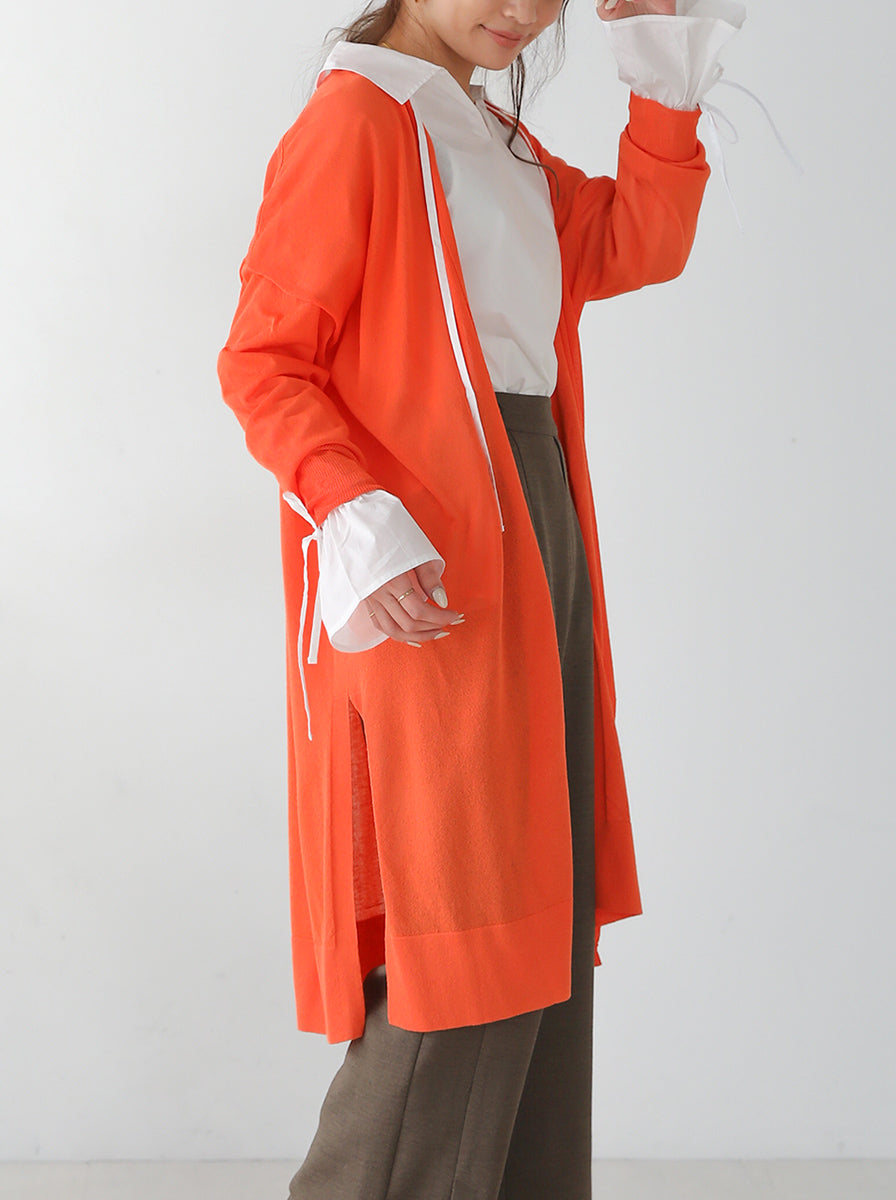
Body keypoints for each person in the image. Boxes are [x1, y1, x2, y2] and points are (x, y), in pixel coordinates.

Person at [217, 1, 744, 1194]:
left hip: (535, 506)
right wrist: (356, 511)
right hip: (423, 542)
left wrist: (657, 57)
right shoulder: (359, 119)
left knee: (538, 906)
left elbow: (637, 239)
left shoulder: (486, 133)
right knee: (462, 922)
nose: (521, 9)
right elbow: (264, 359)